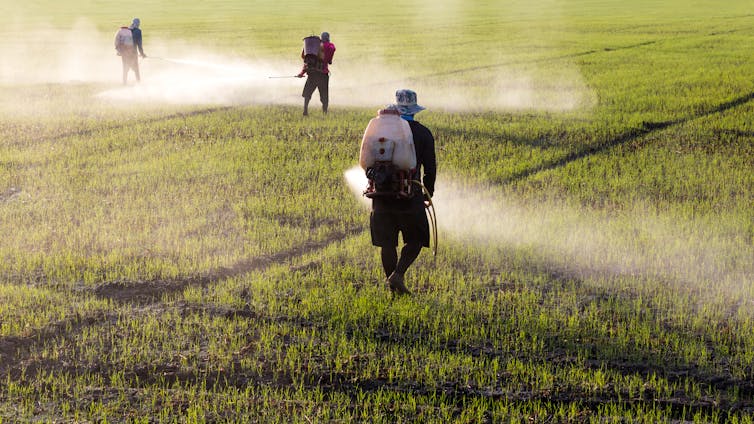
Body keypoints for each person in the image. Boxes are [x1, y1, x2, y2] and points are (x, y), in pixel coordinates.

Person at [369, 89, 436, 296]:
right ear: (414, 111)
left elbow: (368, 160)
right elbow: (430, 167)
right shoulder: (423, 133)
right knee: (415, 239)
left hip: (381, 195)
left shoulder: (380, 131)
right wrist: (427, 192)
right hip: (410, 194)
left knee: (387, 243)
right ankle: (398, 275)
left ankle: (393, 287)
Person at [297, 32, 336, 115]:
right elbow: (330, 59)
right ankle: (325, 113)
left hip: (312, 74)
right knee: (324, 95)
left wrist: (301, 73)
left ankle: (305, 111)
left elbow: (306, 60)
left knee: (307, 93)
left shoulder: (313, 47)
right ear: (328, 38)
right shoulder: (330, 46)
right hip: (323, 75)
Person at [114, 18, 145, 85]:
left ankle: (124, 83)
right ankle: (138, 82)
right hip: (133, 53)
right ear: (138, 24)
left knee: (125, 68)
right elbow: (139, 44)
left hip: (124, 53)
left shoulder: (127, 30)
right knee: (136, 69)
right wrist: (142, 54)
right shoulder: (138, 31)